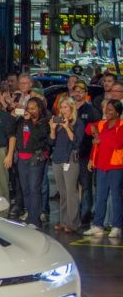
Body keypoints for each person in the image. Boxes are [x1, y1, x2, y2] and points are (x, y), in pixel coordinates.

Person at [84, 100, 123, 238]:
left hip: (116, 166)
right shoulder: (102, 124)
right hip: (101, 165)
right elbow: (88, 128)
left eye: (111, 110)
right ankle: (97, 225)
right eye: (107, 109)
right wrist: (94, 131)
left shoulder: (121, 125)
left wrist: (100, 139)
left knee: (116, 197)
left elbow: (118, 143)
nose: (107, 111)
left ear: (117, 113)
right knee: (100, 197)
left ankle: (117, 226)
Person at [48, 99, 85, 233]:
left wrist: (67, 127)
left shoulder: (77, 123)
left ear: (71, 108)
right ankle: (63, 221)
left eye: (65, 107)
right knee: (63, 193)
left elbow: (76, 142)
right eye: (61, 108)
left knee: (71, 192)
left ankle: (73, 222)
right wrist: (52, 129)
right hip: (57, 159)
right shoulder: (58, 123)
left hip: (70, 159)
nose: (63, 110)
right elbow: (51, 142)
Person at [14, 97, 50, 227]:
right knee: (26, 189)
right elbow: (13, 132)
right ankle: (30, 214)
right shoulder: (22, 121)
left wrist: (29, 122)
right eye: (28, 108)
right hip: (22, 158)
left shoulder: (43, 122)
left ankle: (35, 220)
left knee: (34, 188)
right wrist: (14, 116)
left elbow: (38, 136)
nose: (30, 111)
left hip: (35, 158)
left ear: (39, 109)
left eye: (33, 108)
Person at [72, 83, 101, 226]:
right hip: (70, 153)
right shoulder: (69, 109)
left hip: (85, 153)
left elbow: (97, 132)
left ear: (85, 93)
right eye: (75, 91)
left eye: (80, 91)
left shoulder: (91, 110)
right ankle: (74, 215)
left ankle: (85, 216)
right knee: (72, 186)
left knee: (86, 186)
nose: (77, 93)